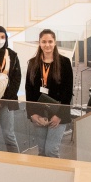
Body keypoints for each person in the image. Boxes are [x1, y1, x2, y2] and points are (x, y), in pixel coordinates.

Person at [24, 28, 74, 158]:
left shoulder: (65, 62)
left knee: (51, 150)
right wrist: (32, 114)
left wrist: (59, 115)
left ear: (55, 42)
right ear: (39, 43)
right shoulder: (33, 63)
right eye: (44, 42)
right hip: (39, 113)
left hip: (58, 114)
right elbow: (29, 90)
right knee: (41, 151)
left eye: (50, 41)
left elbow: (68, 92)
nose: (47, 45)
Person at [0, 26, 22, 153]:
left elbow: (17, 78)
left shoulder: (12, 55)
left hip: (7, 101)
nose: (0, 39)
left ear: (6, 38)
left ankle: (15, 163)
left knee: (9, 135)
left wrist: (4, 100)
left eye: (2, 37)